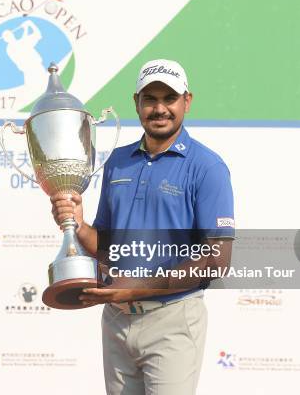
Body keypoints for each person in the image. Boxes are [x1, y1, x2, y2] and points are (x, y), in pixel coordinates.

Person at [50, 59, 235, 395]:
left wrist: (134, 289)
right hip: (117, 320)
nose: (160, 108)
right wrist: (78, 225)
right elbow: (107, 244)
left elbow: (216, 262)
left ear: (187, 101)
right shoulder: (116, 162)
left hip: (172, 319)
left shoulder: (208, 167)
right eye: (150, 99)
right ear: (136, 102)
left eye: (170, 98)